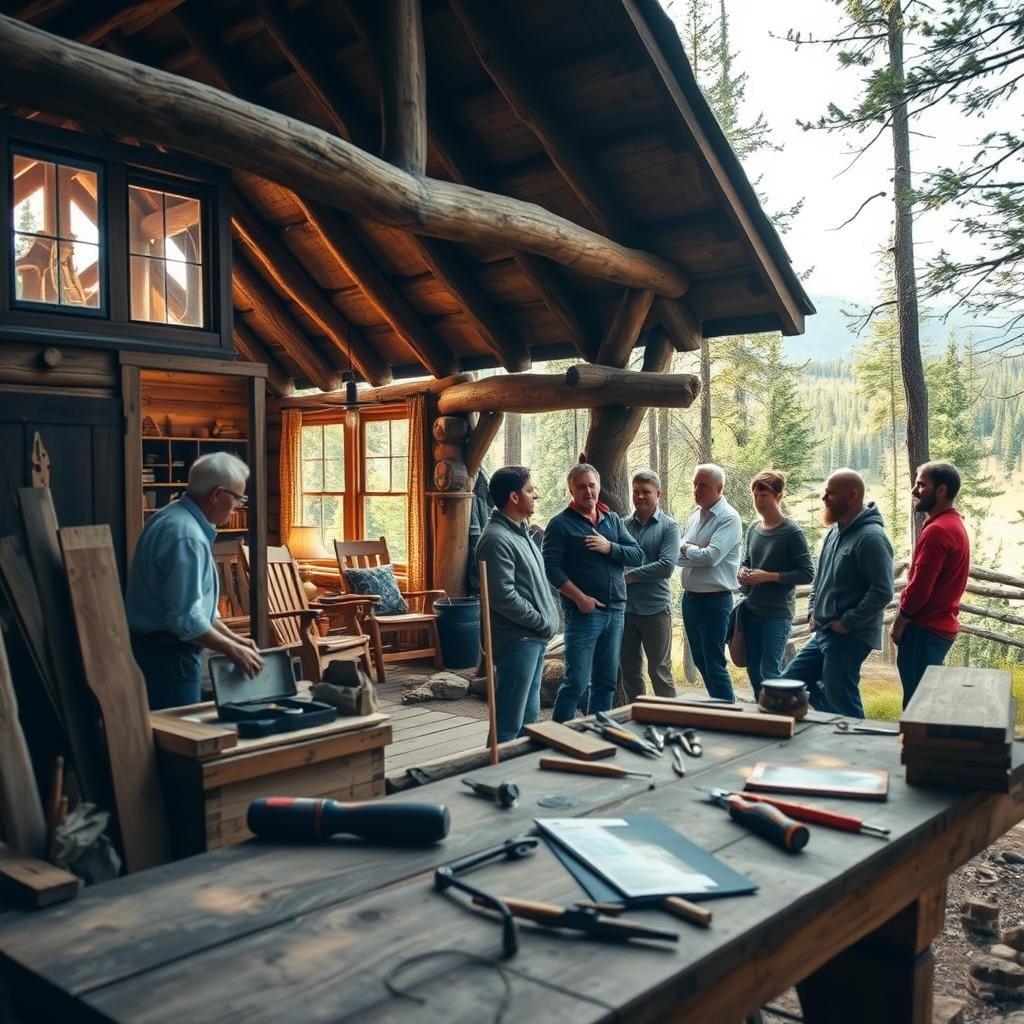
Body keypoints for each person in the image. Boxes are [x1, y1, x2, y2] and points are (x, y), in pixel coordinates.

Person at [127, 452, 263, 710]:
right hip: (168, 658)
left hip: (160, 653)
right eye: (238, 498)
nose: (238, 507)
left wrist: (235, 639)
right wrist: (232, 650)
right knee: (182, 740)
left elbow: (200, 613)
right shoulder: (186, 537)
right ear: (217, 495)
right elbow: (186, 621)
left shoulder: (170, 516)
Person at [781, 469, 894, 718]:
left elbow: (883, 590)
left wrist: (847, 622)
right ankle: (833, 724)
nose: (824, 498)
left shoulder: (872, 538)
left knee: (841, 696)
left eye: (830, 493)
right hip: (824, 630)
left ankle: (856, 747)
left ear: (852, 495)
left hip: (850, 635)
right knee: (789, 683)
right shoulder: (835, 531)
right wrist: (813, 611)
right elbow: (820, 579)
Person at [543, 463, 643, 721]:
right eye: (581, 486)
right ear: (571, 490)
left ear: (599, 487)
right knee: (576, 682)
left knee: (606, 681)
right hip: (584, 614)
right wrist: (580, 598)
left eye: (592, 485)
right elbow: (552, 569)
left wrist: (609, 547)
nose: (588, 491)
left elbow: (638, 555)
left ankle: (598, 731)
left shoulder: (612, 520)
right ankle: (560, 734)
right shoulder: (560, 524)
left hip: (616, 611)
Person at [475, 466, 560, 742]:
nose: (535, 495)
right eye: (529, 489)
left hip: (531, 638)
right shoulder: (496, 539)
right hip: (516, 639)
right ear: (513, 496)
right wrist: (540, 620)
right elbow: (503, 596)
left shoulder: (519, 532)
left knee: (528, 717)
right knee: (509, 722)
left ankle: (519, 776)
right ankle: (493, 777)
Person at [891, 461, 970, 706]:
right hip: (938, 629)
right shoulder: (953, 525)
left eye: (921, 484)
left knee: (917, 707)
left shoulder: (938, 531)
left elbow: (919, 589)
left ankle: (916, 746)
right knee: (927, 702)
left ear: (941, 490)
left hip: (923, 630)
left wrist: (900, 621)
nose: (914, 490)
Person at [737, 469, 815, 699]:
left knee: (769, 671)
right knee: (753, 670)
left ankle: (781, 713)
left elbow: (807, 574)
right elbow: (747, 561)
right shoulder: (753, 529)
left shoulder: (791, 532)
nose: (759, 501)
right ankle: (763, 717)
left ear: (779, 496)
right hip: (751, 610)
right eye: (756, 495)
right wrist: (743, 572)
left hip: (777, 614)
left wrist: (768, 576)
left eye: (764, 495)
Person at [678, 464, 743, 701]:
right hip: (690, 600)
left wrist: (688, 549)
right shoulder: (695, 516)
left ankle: (729, 715)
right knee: (700, 660)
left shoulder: (729, 518)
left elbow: (712, 556)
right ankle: (719, 707)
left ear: (719, 488)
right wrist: (695, 552)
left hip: (715, 602)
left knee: (714, 664)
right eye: (694, 484)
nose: (696, 490)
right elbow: (676, 557)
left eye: (702, 485)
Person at [621, 470, 681, 701]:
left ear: (659, 494)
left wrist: (630, 576)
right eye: (636, 492)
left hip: (655, 610)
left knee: (659, 671)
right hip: (625, 610)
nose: (640, 496)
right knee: (630, 672)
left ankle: (669, 724)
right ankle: (639, 717)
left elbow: (666, 566)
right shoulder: (624, 525)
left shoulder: (669, 527)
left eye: (646, 492)